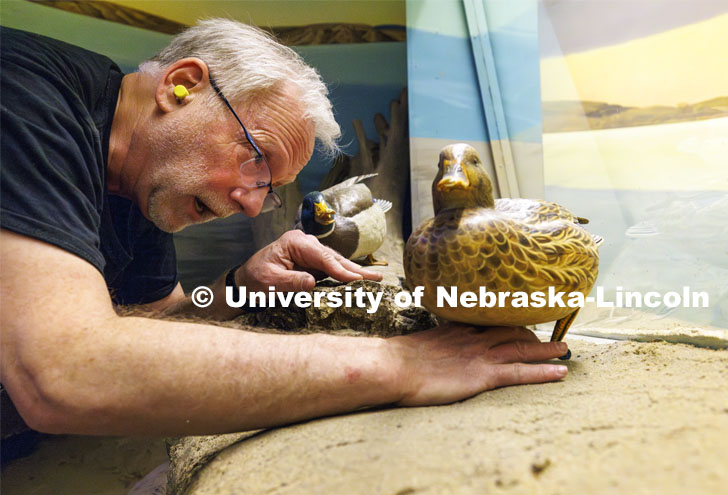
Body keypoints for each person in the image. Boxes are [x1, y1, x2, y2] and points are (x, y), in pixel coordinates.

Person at [0, 19, 568, 439]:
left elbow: (158, 319)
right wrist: (403, 364)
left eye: (269, 186)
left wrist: (239, 286)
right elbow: (67, 372)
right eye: (256, 157)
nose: (252, 207)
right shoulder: (26, 101)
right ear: (181, 86)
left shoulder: (144, 173)